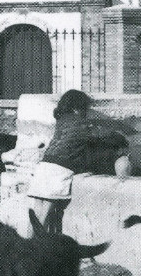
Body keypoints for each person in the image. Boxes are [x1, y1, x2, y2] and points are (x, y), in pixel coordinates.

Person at [27, 89, 130, 234]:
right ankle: (35, 251)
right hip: (59, 169)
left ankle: (24, 246)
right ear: (77, 108)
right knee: (45, 214)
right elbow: (104, 136)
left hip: (44, 166)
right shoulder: (83, 125)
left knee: (35, 213)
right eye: (85, 109)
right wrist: (119, 138)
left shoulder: (61, 121)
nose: (86, 112)